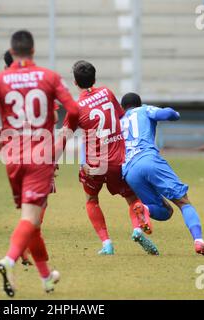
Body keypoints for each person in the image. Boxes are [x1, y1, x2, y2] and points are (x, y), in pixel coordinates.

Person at [0, 30, 79, 297]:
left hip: (11, 156)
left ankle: (46, 277)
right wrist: (62, 138)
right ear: (33, 51)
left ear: (11, 53)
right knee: (30, 218)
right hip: (39, 155)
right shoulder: (49, 77)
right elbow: (75, 110)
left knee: (31, 220)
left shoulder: (0, 79)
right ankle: (8, 260)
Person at [61, 61, 158, 256]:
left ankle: (107, 244)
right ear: (95, 78)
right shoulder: (107, 93)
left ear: (75, 82)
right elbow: (122, 118)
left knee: (91, 200)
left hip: (93, 164)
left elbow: (65, 135)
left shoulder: (75, 107)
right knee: (132, 198)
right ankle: (137, 229)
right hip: (116, 160)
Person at [120, 93, 204, 255]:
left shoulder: (120, 121)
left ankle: (144, 209)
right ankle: (199, 241)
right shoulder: (144, 110)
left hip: (129, 170)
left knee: (165, 212)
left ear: (123, 108)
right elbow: (168, 114)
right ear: (139, 104)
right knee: (183, 202)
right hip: (148, 159)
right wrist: (175, 114)